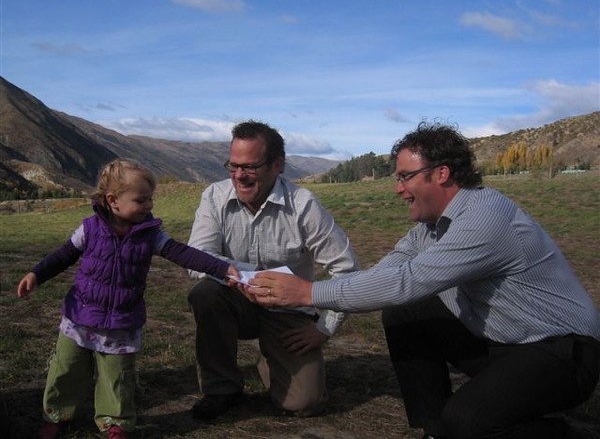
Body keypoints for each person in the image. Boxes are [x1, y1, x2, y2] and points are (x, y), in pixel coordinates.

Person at [248, 122, 600, 439]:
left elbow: (409, 280)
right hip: (504, 343)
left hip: (565, 352)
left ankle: (563, 433)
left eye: (405, 177)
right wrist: (324, 296)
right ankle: (434, 429)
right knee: (406, 313)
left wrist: (309, 292)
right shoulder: (430, 228)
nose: (398, 189)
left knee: (468, 423)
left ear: (442, 173)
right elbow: (391, 273)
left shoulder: (484, 220)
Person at [17, 159, 239, 439]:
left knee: (117, 377)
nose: (149, 206)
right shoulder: (89, 229)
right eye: (141, 199)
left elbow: (183, 253)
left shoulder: (151, 235)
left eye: (150, 199)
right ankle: (57, 415)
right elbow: (62, 255)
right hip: (80, 316)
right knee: (66, 370)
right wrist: (36, 274)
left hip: (122, 320)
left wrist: (220, 267)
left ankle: (115, 422)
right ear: (113, 201)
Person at [186, 120, 360, 420]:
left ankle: (273, 358)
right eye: (233, 165)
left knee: (304, 404)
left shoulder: (303, 205)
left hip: (290, 309)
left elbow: (347, 269)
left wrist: (324, 329)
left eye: (250, 167)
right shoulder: (214, 197)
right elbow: (197, 257)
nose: (239, 175)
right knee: (205, 294)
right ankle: (221, 389)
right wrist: (250, 274)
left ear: (277, 165)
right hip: (235, 299)